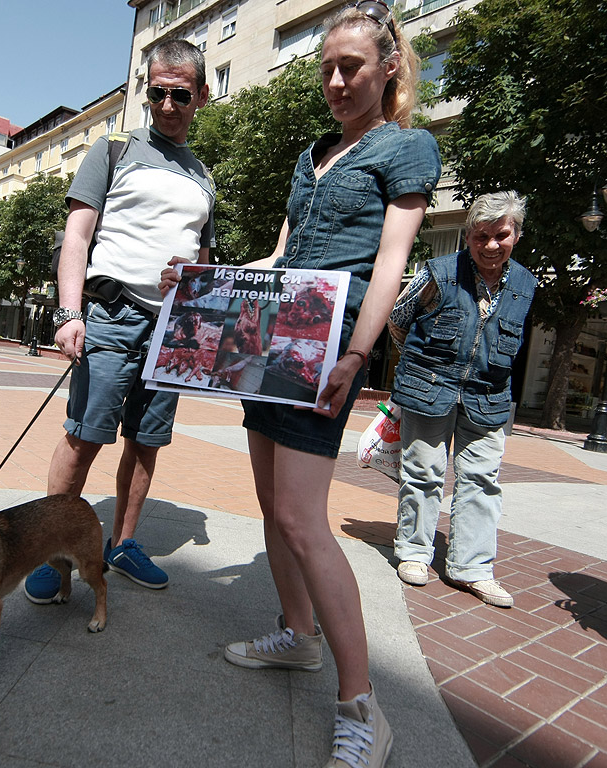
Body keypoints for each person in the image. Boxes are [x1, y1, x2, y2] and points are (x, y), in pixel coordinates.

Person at [161, 4, 440, 766]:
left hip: (327, 346)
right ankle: (298, 635)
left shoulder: (407, 147)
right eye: (326, 67)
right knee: (271, 507)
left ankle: (363, 706)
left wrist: (358, 351)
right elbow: (280, 258)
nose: (337, 80)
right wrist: (203, 283)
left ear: (388, 68)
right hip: (272, 339)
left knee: (301, 517)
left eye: (351, 65)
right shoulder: (311, 154)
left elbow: (389, 264)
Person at [24, 38, 214, 602]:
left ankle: (124, 543)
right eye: (156, 93)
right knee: (84, 436)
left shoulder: (204, 177)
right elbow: (76, 238)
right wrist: (68, 312)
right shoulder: (112, 150)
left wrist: (196, 270)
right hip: (111, 314)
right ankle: (52, 552)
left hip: (174, 328)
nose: (167, 104)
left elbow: (203, 257)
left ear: (201, 95)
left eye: (180, 94)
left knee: (147, 442)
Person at [389, 191, 534, 609]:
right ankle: (414, 552)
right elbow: (398, 320)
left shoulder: (526, 285)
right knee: (424, 472)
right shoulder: (437, 272)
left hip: (488, 396)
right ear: (467, 236)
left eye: (501, 235)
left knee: (482, 481)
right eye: (481, 236)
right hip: (429, 388)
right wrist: (420, 367)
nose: (491, 245)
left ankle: (472, 568)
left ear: (516, 235)